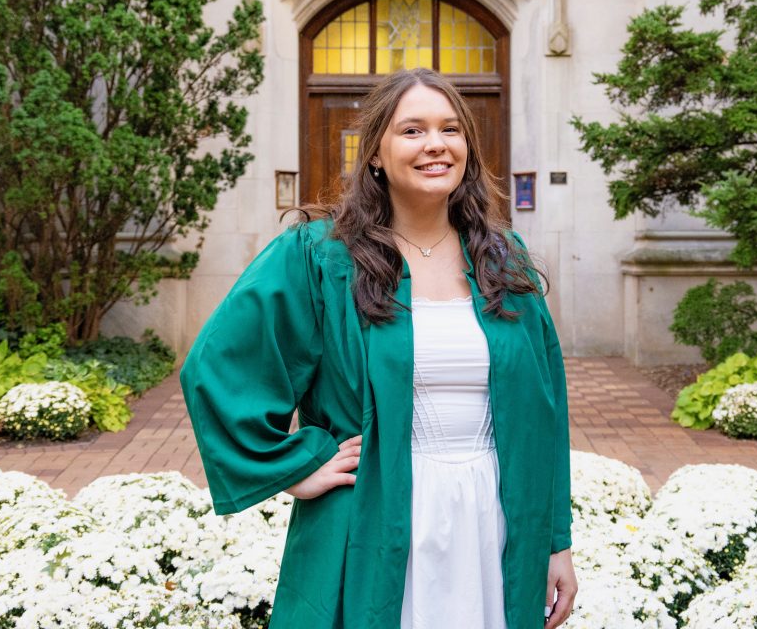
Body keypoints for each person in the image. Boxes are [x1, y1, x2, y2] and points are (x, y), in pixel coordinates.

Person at [179, 67, 576, 629]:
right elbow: (219, 366)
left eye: (451, 129)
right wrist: (294, 466)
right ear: (375, 154)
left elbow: (546, 408)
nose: (436, 145)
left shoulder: (501, 258)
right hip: (375, 518)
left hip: (496, 518)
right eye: (412, 130)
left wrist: (555, 541)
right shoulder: (322, 258)